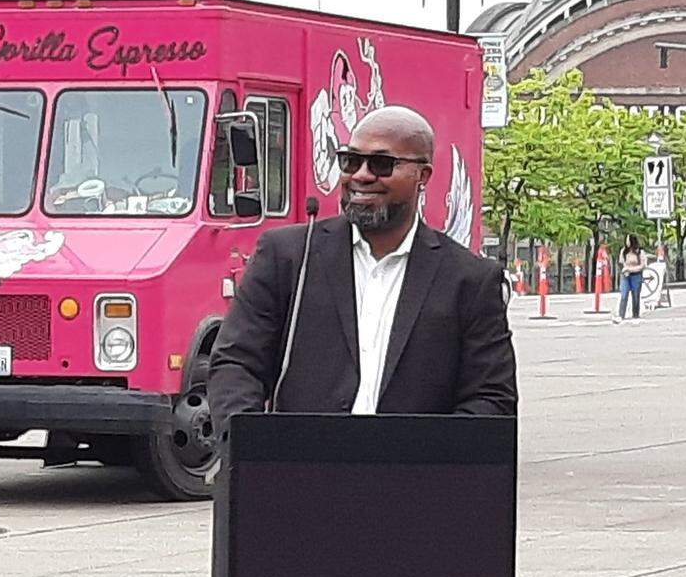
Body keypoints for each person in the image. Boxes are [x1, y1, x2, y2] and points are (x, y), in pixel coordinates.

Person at [207, 105, 518, 435]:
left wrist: (432, 461)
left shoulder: (470, 279)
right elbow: (236, 363)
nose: (361, 175)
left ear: (422, 176)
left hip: (414, 477)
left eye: (382, 164)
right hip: (298, 472)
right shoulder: (286, 257)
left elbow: (491, 398)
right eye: (351, 161)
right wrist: (249, 445)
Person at [615, 234, 646, 323]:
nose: (627, 242)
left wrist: (631, 269)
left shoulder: (640, 252)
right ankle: (621, 314)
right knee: (624, 294)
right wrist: (625, 270)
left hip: (636, 275)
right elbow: (621, 262)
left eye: (628, 240)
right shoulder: (624, 251)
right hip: (626, 275)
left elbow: (642, 265)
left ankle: (635, 314)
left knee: (635, 295)